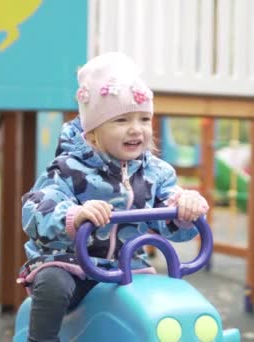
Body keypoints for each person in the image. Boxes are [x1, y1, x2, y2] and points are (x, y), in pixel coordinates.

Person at [17, 52, 209, 342]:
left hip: (130, 267)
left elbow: (170, 225)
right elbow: (36, 211)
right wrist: (74, 215)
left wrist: (185, 210)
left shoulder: (157, 174)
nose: (136, 129)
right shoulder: (68, 169)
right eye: (121, 120)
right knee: (53, 283)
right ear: (92, 132)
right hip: (72, 264)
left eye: (144, 119)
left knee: (162, 305)